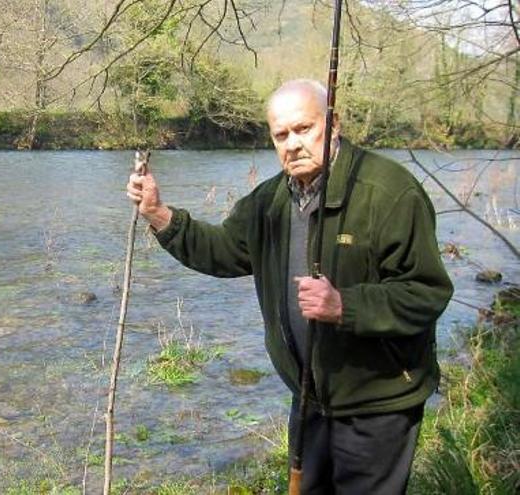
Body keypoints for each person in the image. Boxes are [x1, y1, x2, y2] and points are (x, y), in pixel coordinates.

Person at [126, 79, 453, 494]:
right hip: (309, 397)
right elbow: (223, 251)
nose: (293, 144)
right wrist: (158, 214)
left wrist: (344, 306)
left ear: (333, 125)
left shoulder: (389, 192)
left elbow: (426, 292)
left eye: (304, 129)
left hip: (378, 401)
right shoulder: (269, 201)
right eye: (281, 134)